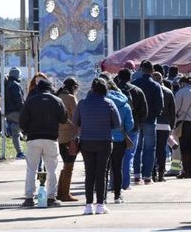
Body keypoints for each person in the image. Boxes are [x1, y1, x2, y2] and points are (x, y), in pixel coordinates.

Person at [73, 78, 121, 215]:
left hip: (86, 141)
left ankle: (88, 205)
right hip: (104, 141)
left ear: (92, 88)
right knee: (101, 173)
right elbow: (117, 124)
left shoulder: (82, 103)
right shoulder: (109, 103)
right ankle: (100, 204)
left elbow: (75, 122)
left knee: (89, 173)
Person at [19, 79, 67, 207]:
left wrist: (26, 131)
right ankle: (51, 197)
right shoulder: (57, 101)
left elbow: (22, 121)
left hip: (33, 138)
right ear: (50, 88)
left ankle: (29, 198)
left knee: (31, 169)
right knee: (52, 169)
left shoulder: (30, 101)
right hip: (51, 139)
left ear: (38, 89)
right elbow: (63, 119)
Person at [115, 68, 148, 190]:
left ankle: (114, 183)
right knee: (128, 155)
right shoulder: (137, 91)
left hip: (115, 128)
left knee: (114, 156)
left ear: (118, 77)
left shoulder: (113, 91)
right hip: (133, 128)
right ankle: (125, 183)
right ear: (131, 77)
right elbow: (144, 112)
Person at [132, 60, 164, 184]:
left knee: (136, 148)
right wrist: (156, 114)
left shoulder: (134, 84)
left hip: (136, 120)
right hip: (150, 120)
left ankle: (136, 175)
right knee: (150, 149)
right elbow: (160, 105)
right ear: (152, 71)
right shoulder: (156, 86)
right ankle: (147, 176)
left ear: (141, 69)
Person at [105, 80, 134, 204]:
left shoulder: (103, 102)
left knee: (104, 169)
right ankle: (117, 195)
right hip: (120, 139)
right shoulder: (125, 104)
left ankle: (103, 197)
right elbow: (130, 125)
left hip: (105, 138)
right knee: (117, 168)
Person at [56, 77, 80, 202]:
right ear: (73, 87)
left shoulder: (57, 96)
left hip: (59, 136)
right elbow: (77, 116)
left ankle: (60, 192)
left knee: (66, 164)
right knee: (69, 165)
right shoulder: (70, 98)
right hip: (70, 136)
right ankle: (65, 193)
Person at [152, 72, 176, 182]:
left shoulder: (150, 91)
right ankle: (161, 174)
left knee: (151, 149)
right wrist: (171, 126)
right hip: (165, 125)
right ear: (161, 79)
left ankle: (152, 173)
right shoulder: (168, 92)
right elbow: (172, 112)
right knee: (161, 150)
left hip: (152, 123)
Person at [4, 66, 25, 159]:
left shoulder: (6, 84)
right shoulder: (15, 85)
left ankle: (19, 153)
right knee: (32, 124)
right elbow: (19, 101)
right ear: (17, 75)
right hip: (16, 112)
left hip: (8, 113)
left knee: (15, 132)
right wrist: (26, 111)